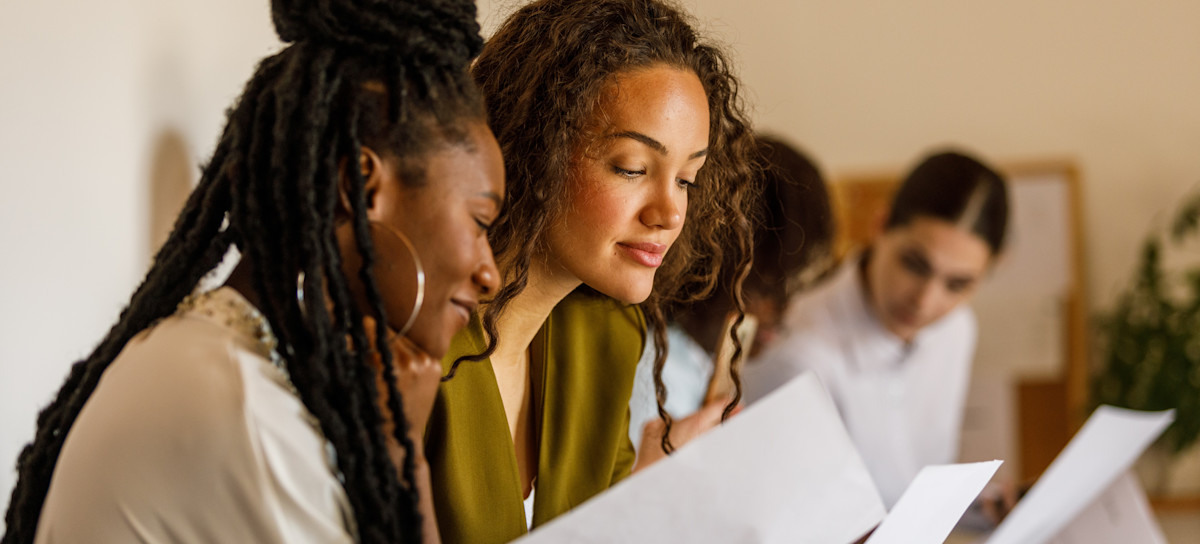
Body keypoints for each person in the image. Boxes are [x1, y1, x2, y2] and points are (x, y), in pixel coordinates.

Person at [3, 0, 503, 542]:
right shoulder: (246, 409)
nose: (489, 273)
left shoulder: (233, 355)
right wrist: (404, 465)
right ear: (360, 186)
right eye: (479, 221)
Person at [422, 0, 759, 541]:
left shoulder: (606, 336)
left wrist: (653, 493)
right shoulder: (415, 343)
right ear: (532, 147)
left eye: (686, 180)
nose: (669, 214)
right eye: (632, 168)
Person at [743, 149, 1010, 509]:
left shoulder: (956, 331)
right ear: (880, 225)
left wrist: (991, 507)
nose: (926, 301)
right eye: (915, 265)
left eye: (957, 284)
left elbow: (913, 493)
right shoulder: (797, 353)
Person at [628, 135, 836, 447]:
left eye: (793, 287)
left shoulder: (703, 363)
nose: (780, 311)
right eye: (766, 287)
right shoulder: (655, 374)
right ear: (713, 263)